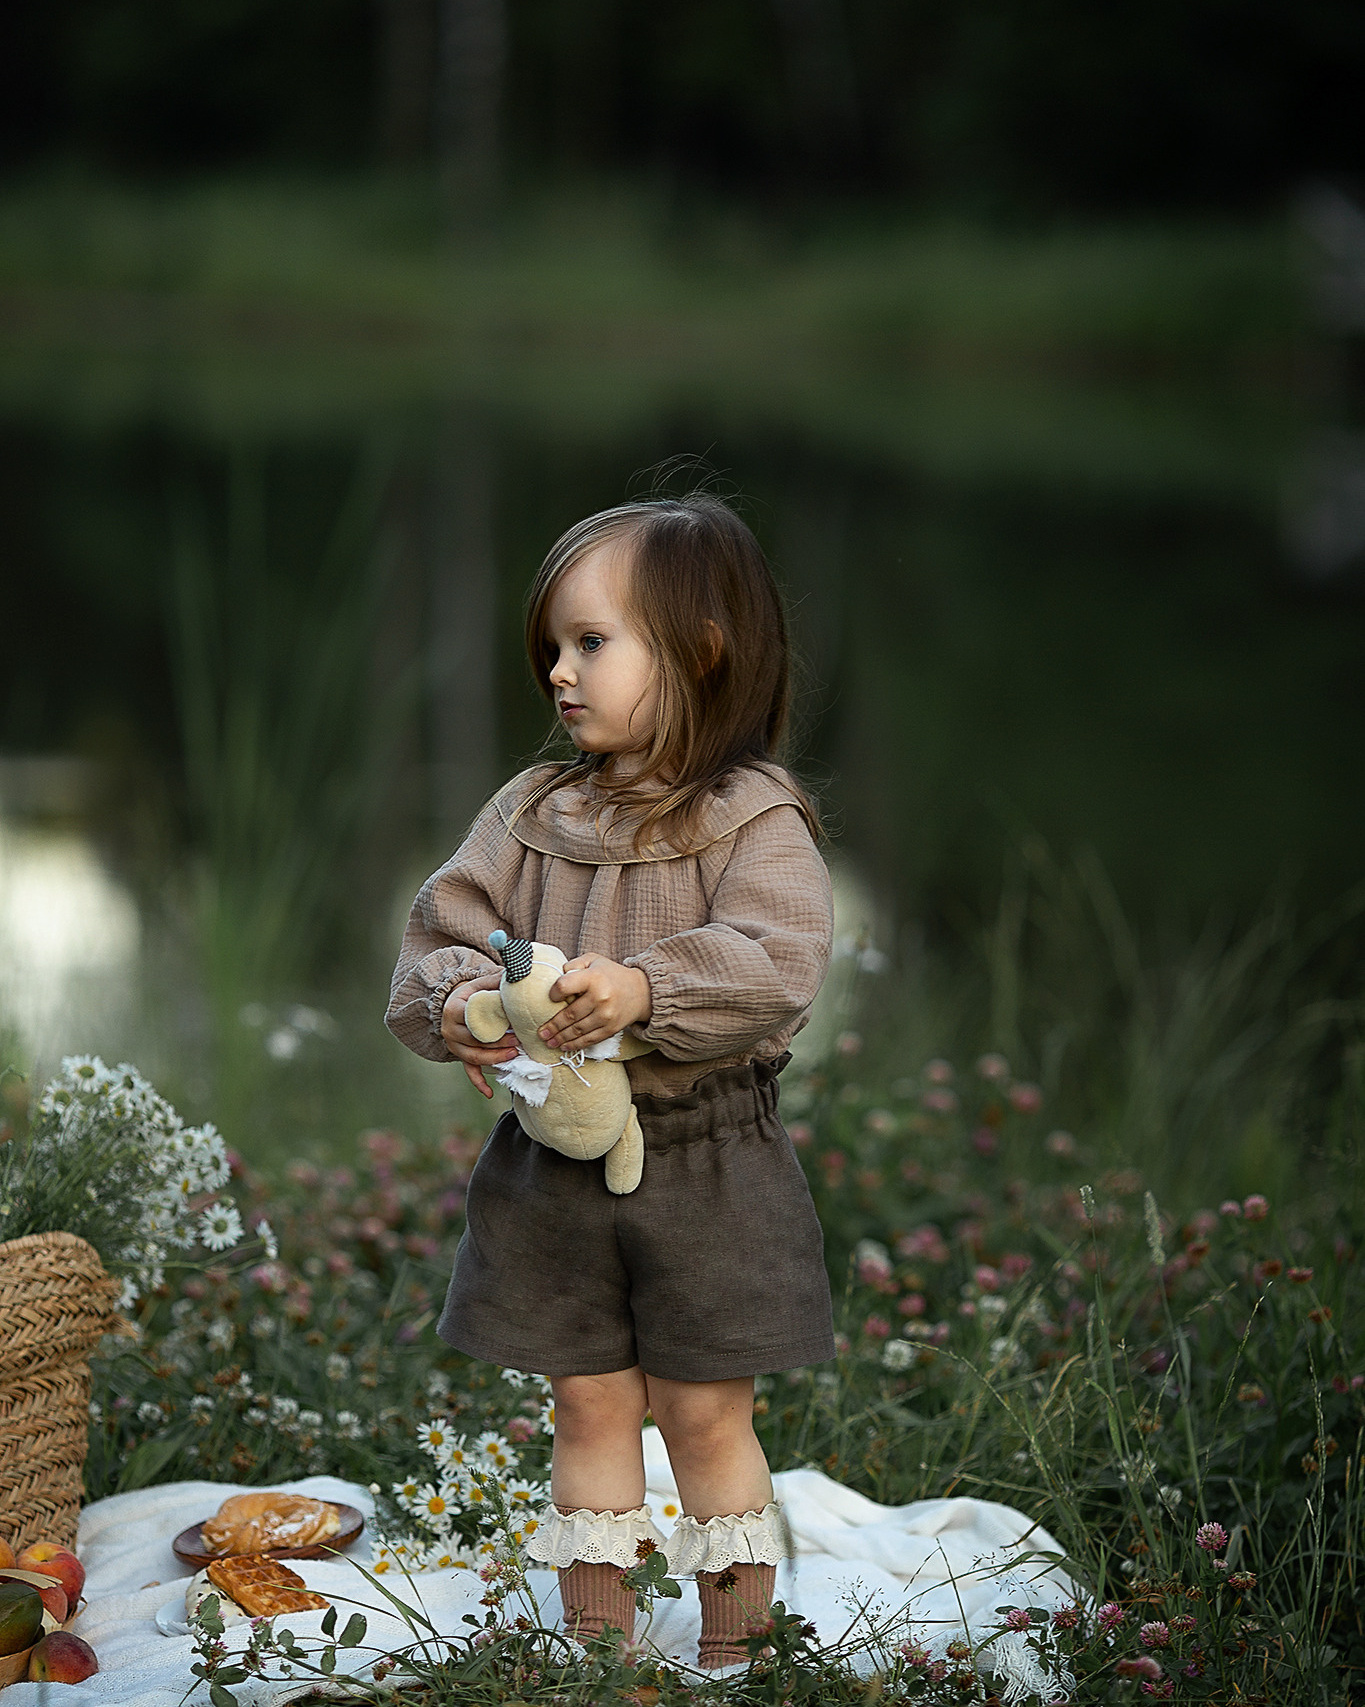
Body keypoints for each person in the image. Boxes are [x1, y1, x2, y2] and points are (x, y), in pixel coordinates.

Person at [385, 493, 835, 1667]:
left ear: (701, 650)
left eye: (591, 643)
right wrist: (463, 1010)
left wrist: (645, 990)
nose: (559, 672)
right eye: (553, 646)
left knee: (700, 1409)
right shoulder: (533, 813)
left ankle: (737, 1653)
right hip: (555, 1164)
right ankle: (599, 1651)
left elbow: (779, 961)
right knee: (586, 1401)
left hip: (706, 1160)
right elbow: (441, 932)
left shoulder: (753, 817)